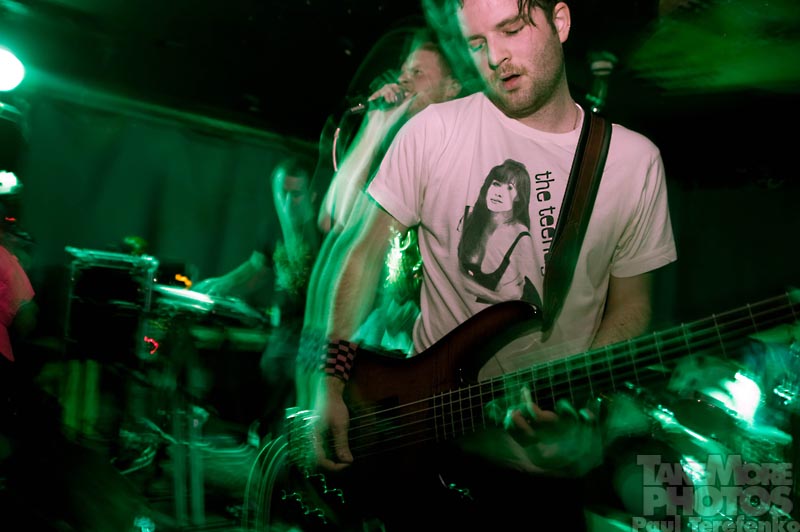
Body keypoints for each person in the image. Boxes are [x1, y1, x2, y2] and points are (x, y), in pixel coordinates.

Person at [297, 0, 678, 530]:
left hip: (546, 480)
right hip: (426, 457)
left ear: (560, 22)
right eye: (477, 43)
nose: (495, 56)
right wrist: (330, 383)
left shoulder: (633, 162)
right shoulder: (433, 131)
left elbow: (632, 306)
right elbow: (359, 256)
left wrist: (582, 394)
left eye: (511, 29)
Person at [304, 27, 463, 361]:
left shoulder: (454, 153)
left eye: (417, 73)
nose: (403, 80)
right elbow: (334, 219)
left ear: (452, 88)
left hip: (424, 346)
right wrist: (375, 126)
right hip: (373, 335)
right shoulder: (396, 146)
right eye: (403, 71)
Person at [193, 157, 321, 439]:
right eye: (282, 193)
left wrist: (295, 227)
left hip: (311, 334)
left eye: (296, 194)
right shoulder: (272, 228)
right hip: (282, 331)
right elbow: (257, 268)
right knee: (270, 385)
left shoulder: (322, 232)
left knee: (296, 403)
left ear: (311, 195)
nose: (288, 202)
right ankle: (268, 448)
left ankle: (289, 453)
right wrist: (220, 284)